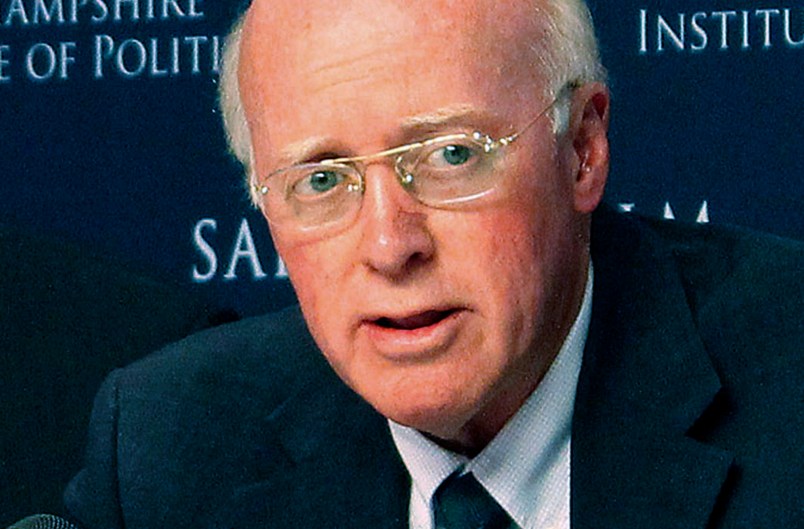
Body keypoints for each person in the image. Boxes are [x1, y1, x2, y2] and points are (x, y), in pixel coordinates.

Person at [61, 0, 803, 528]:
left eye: (452, 156)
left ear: (581, 150)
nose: (390, 246)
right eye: (321, 179)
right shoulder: (171, 450)